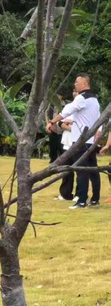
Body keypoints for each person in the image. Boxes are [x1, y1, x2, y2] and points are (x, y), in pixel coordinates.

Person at [47, 74, 101, 209]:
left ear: (85, 83)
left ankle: (81, 201)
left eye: (77, 82)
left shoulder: (81, 98)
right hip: (91, 141)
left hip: (80, 141)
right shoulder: (94, 100)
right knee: (93, 170)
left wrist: (52, 122)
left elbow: (66, 111)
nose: (74, 84)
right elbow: (98, 119)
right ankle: (95, 199)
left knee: (81, 170)